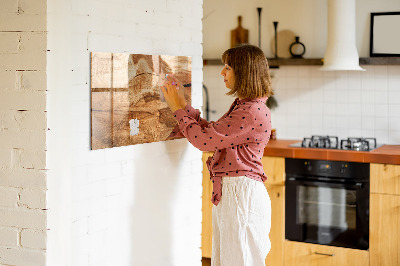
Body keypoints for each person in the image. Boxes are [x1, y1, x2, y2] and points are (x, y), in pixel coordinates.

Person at [161, 44, 273, 266]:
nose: (222, 72)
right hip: (236, 193)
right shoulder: (246, 106)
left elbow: (204, 141)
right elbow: (212, 133)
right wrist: (183, 105)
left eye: (228, 67)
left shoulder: (250, 111)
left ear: (244, 72)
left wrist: (176, 108)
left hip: (241, 195)